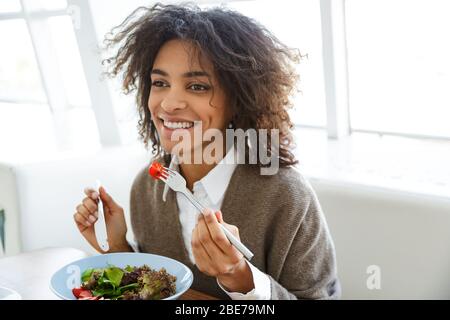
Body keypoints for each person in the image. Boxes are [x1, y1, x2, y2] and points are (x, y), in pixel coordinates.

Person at [73, 3, 340, 300]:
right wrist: (119, 248)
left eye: (197, 86)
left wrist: (240, 277)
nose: (169, 103)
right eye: (160, 83)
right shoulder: (146, 187)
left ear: (239, 99)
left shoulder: (286, 196)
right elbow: (159, 292)